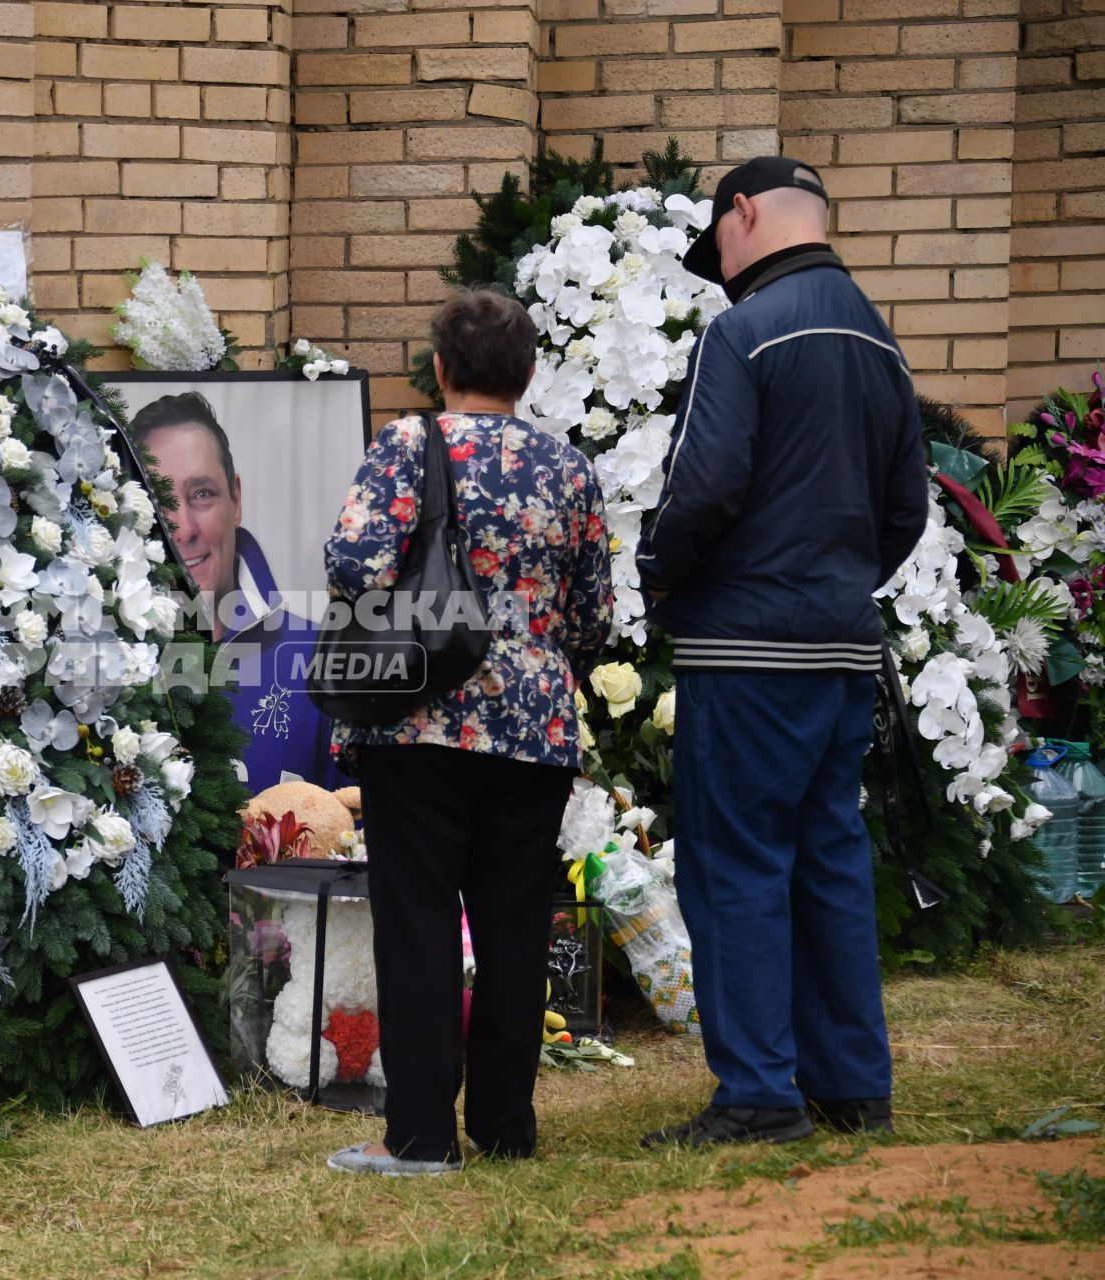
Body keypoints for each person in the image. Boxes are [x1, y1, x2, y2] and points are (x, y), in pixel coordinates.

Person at [637, 157, 930, 1148]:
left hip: (745, 648)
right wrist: (837, 584)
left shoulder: (745, 330)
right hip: (844, 647)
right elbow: (907, 509)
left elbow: (703, 484)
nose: (719, 266)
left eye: (719, 241)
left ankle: (758, 1092)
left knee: (735, 862)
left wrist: (663, 572)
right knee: (829, 857)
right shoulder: (880, 341)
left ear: (745, 212)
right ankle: (853, 1083)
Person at [321, 289, 613, 1175]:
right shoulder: (569, 468)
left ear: (440, 368)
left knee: (418, 925)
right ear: (527, 374)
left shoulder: (412, 445)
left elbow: (352, 566)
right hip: (536, 729)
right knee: (517, 925)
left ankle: (416, 1136)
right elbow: (594, 617)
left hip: (421, 718)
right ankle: (505, 1127)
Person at [132, 392, 342, 795]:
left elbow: (353, 841)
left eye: (202, 494)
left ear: (236, 499)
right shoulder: (101, 667)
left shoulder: (320, 657)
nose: (183, 529)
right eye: (159, 500)